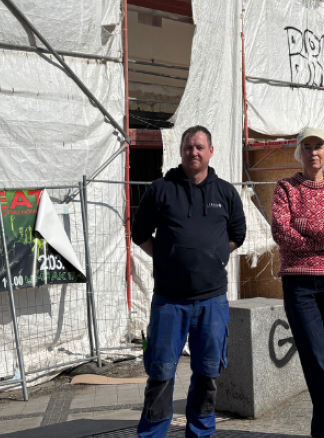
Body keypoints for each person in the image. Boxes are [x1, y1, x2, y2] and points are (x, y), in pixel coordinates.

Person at [132, 125, 247, 438]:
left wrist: (213, 255)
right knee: (161, 372)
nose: (193, 152)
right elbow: (139, 233)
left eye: (199, 147)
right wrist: (166, 257)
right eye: (188, 147)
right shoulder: (161, 189)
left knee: (208, 373)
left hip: (212, 301)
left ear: (211, 152)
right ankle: (153, 434)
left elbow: (238, 234)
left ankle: (201, 432)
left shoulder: (225, 192)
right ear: (180, 152)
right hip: (169, 301)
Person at [269, 127, 324, 438]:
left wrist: (303, 224)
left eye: (318, 146)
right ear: (299, 152)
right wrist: (323, 243)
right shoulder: (285, 188)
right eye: (307, 147)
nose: (313, 153)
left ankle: (322, 433)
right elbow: (281, 233)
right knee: (319, 363)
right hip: (299, 285)